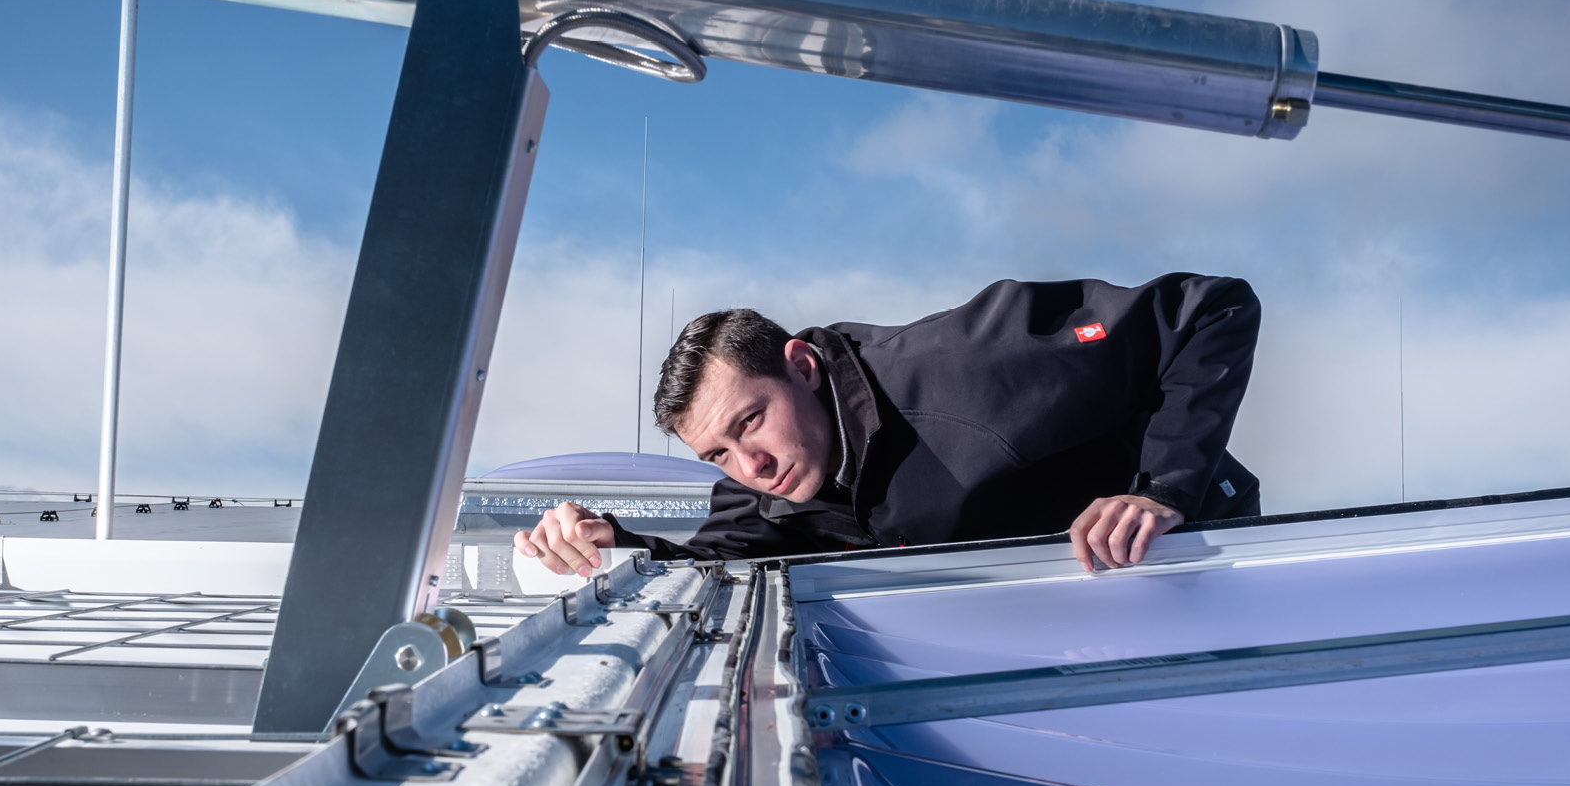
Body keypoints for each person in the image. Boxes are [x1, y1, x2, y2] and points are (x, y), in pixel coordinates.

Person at [514, 274, 1262, 575]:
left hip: (1184, 557)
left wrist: (1162, 487)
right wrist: (614, 544)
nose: (750, 466)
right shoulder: (761, 484)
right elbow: (721, 563)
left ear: (802, 367)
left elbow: (1210, 310)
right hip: (1042, 608)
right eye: (719, 453)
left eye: (752, 422)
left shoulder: (973, 363)